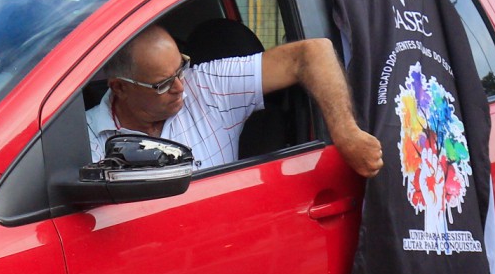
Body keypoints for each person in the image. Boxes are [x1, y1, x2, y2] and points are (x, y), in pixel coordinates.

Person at [88, 24, 383, 176]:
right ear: (120, 88)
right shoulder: (83, 138)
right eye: (163, 83)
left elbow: (311, 54)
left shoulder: (207, 85)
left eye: (181, 67)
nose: (181, 87)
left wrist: (346, 133)